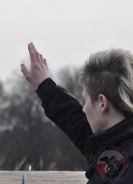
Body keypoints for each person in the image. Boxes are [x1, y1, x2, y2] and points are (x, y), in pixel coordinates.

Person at [21, 42, 133, 183]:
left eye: (85, 101)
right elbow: (77, 123)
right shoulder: (116, 144)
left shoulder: (117, 176)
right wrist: (44, 85)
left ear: (102, 103)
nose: (84, 108)